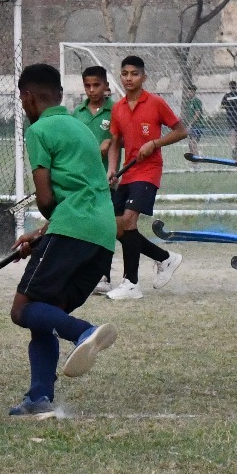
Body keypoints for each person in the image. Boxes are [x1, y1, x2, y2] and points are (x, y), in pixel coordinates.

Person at [8, 63, 119, 417]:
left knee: (23, 310)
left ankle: (84, 332)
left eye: (22, 100)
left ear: (28, 97)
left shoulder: (38, 130)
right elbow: (80, 191)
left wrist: (48, 229)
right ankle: (39, 397)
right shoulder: (81, 128)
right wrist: (43, 235)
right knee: (44, 312)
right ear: (58, 94)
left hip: (72, 228)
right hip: (102, 235)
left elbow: (45, 200)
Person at [103, 55, 187, 300]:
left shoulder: (156, 102)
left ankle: (131, 284)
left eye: (134, 74)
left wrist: (155, 143)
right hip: (127, 173)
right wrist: (111, 169)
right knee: (117, 228)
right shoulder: (117, 108)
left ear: (144, 77)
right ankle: (165, 258)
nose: (129, 78)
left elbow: (181, 131)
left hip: (148, 171)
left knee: (129, 220)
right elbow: (115, 142)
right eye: (125, 74)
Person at [71, 66, 116, 295]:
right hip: (82, 181)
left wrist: (110, 142)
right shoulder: (77, 113)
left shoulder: (115, 110)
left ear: (106, 85)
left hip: (106, 180)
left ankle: (104, 275)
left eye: (96, 85)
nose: (91, 90)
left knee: (104, 228)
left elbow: (123, 139)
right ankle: (84, 274)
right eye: (87, 85)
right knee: (83, 227)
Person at [221, 80, 237, 159]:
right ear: (236, 86)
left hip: (230, 116)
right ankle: (236, 148)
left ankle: (233, 146)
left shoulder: (227, 96)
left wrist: (228, 107)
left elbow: (222, 106)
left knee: (232, 131)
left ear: (230, 87)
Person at [182, 84, 206, 157]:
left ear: (194, 92)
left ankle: (197, 160)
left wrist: (190, 124)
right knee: (190, 144)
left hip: (197, 125)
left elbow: (197, 114)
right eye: (188, 92)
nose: (189, 93)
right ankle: (196, 157)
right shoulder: (189, 102)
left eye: (191, 92)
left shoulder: (196, 101)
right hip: (192, 125)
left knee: (193, 143)